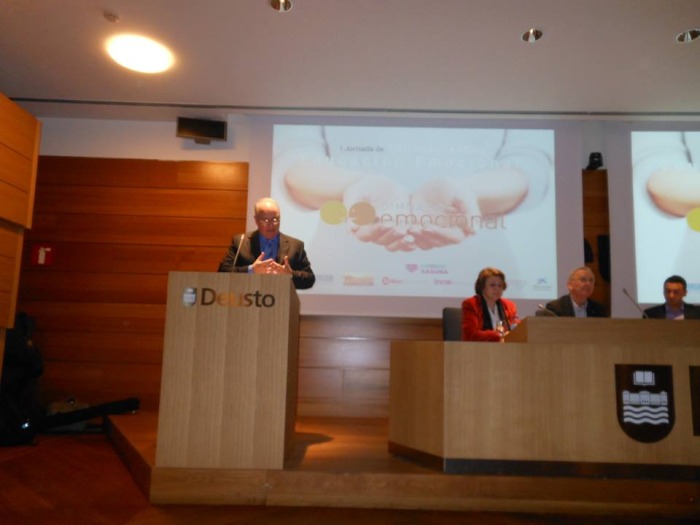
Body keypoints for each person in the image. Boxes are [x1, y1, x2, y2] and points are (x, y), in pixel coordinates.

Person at [218, 197, 315, 290]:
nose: (271, 224)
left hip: (281, 299)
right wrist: (251, 270)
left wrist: (289, 274)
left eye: (275, 219)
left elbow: (310, 279)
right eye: (265, 220)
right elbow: (223, 272)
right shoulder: (240, 242)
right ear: (256, 220)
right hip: (247, 298)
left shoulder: (295, 246)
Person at [461, 267, 519, 342]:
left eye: (500, 285)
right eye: (492, 285)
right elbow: (470, 335)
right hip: (480, 348)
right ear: (482, 287)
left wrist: (512, 334)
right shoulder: (471, 304)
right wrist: (499, 335)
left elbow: (518, 330)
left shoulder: (509, 306)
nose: (496, 289)